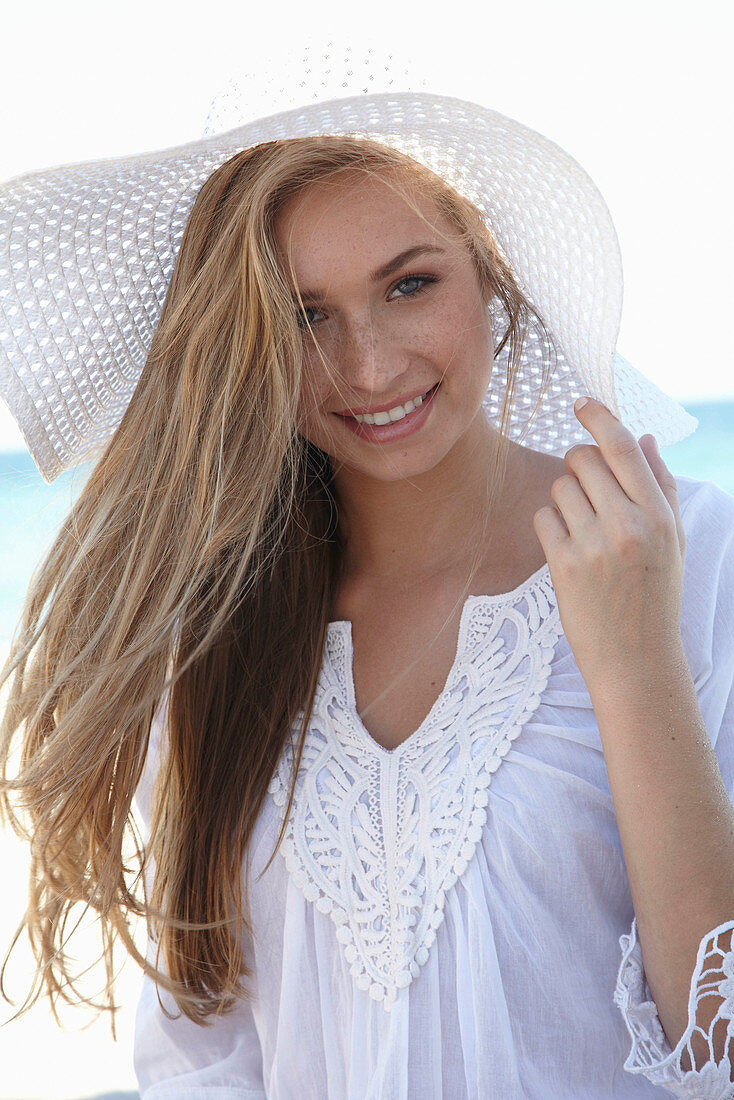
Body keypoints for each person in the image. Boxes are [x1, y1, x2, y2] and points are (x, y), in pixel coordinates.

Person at [1, 70, 733, 1100]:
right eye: (304, 316)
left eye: (408, 284)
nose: (370, 365)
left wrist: (634, 665)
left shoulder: (681, 550)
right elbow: (203, 1055)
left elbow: (719, 1042)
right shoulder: (214, 629)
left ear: (493, 273)